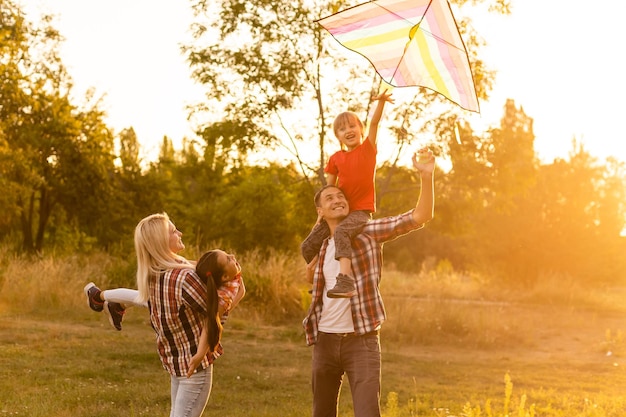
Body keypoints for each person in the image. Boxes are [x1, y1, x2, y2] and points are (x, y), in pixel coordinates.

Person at [302, 148, 435, 417]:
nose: (338, 199)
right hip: (325, 341)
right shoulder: (322, 246)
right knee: (321, 412)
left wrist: (426, 177)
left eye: (341, 196)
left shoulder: (367, 233)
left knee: (367, 413)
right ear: (320, 210)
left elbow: (419, 217)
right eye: (330, 197)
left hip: (360, 342)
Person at [301, 89, 394, 299]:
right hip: (337, 211)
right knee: (308, 245)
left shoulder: (367, 150)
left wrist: (380, 103)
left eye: (352, 126)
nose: (348, 130)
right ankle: (321, 279)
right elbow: (328, 190)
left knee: (342, 232)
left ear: (361, 130)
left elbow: (375, 124)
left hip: (359, 211)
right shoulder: (335, 158)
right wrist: (322, 215)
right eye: (342, 129)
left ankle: (345, 281)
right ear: (338, 136)